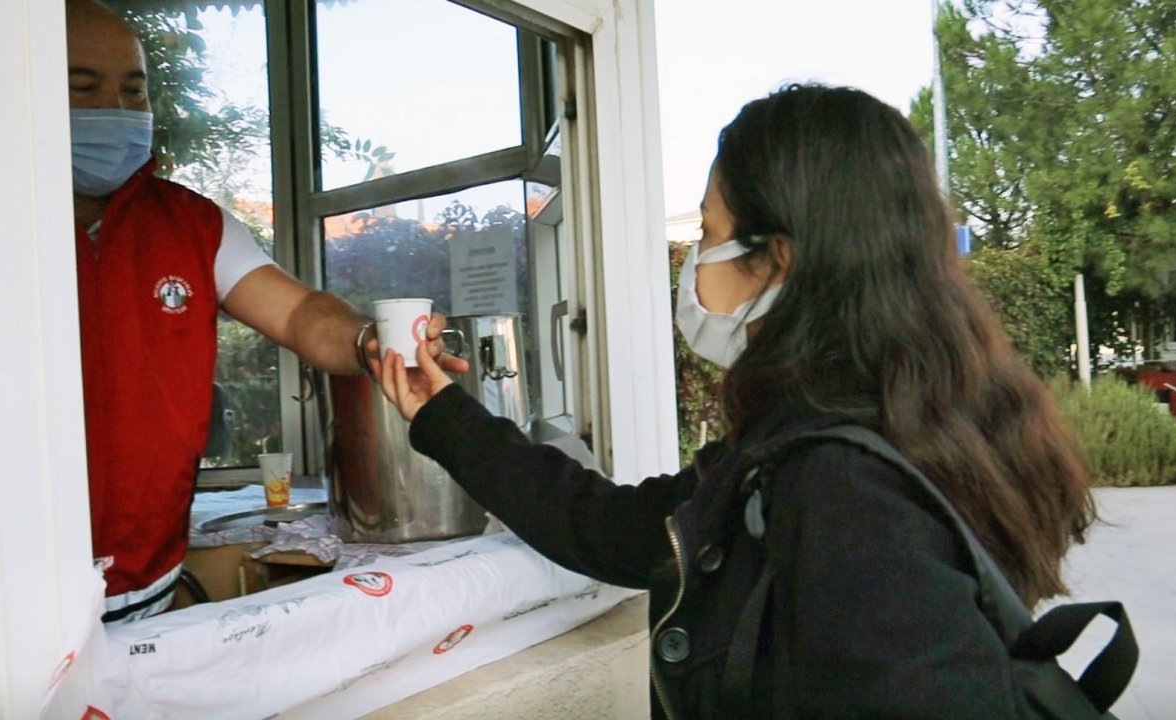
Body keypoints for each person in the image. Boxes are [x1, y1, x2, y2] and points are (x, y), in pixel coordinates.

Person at [373, 84, 1096, 718]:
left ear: (776, 262)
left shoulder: (840, 488)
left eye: (710, 235)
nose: (692, 266)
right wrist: (444, 413)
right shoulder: (903, 420)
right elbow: (617, 528)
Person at [65, 0, 466, 622]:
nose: (116, 111)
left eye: (133, 92)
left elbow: (300, 313)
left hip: (147, 583)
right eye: (83, 88)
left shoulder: (192, 226)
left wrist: (368, 342)